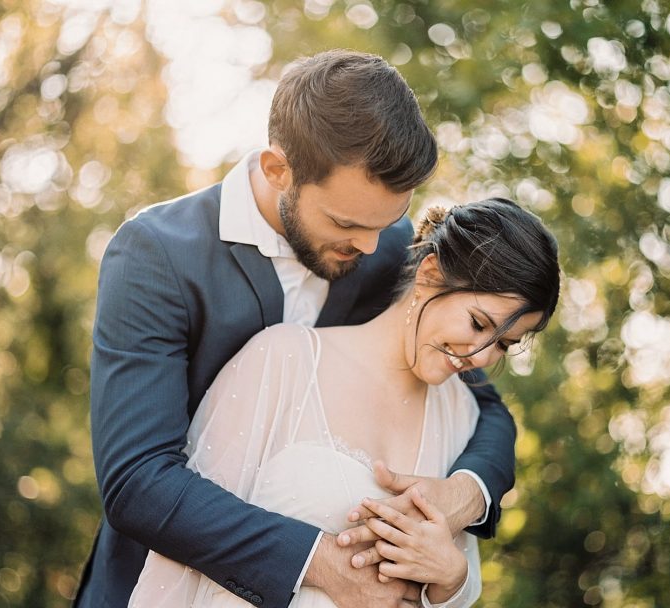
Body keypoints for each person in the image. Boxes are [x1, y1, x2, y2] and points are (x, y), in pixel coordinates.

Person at [76, 50, 518, 608]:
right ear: (276, 169)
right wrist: (320, 563)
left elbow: (486, 408)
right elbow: (138, 481)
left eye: (384, 224)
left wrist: (462, 496)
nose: (368, 247)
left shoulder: (382, 250)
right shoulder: (156, 254)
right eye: (346, 223)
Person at [127, 199, 561, 608]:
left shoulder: (464, 416)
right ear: (430, 272)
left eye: (504, 344)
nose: (482, 357)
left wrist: (450, 579)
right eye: (478, 323)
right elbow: (181, 553)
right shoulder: (284, 360)